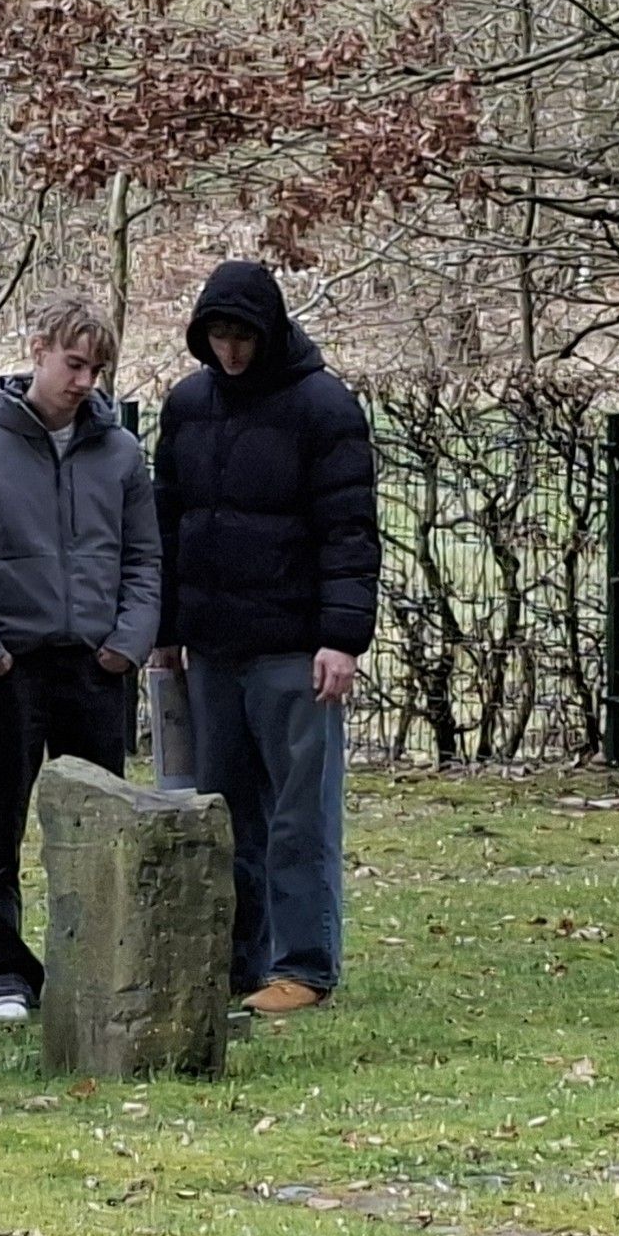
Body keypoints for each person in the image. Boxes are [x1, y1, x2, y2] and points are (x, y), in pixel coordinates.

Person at [0, 293, 161, 1024]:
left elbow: (144, 558)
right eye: (74, 363)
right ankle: (3, 974)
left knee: (99, 828)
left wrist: (126, 645)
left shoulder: (121, 453)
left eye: (97, 369)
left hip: (97, 670)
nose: (85, 381)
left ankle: (90, 965)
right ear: (38, 351)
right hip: (9, 669)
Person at [150, 260, 378, 1014]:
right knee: (225, 815)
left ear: (270, 331)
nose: (231, 350)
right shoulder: (187, 405)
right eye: (218, 335)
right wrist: (166, 631)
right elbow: (168, 523)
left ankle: (304, 965)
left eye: (242, 335)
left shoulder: (325, 407)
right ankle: (237, 960)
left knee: (298, 815)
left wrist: (342, 638)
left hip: (295, 648)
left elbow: (349, 531)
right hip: (213, 650)